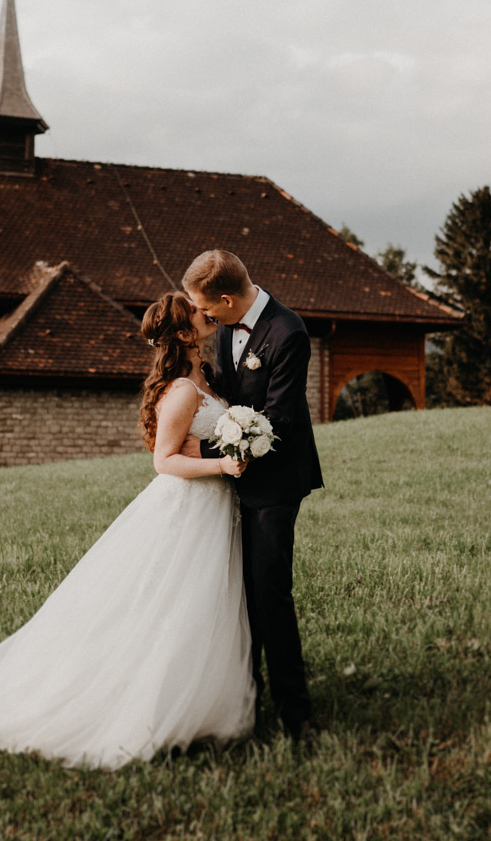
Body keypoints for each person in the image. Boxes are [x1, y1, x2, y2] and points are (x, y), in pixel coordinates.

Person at [0, 292, 255, 770]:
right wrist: (221, 465)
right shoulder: (183, 390)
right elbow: (163, 461)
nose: (204, 311)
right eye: (194, 310)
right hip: (188, 506)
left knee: (206, 600)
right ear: (185, 334)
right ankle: (147, 702)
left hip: (213, 508)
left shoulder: (204, 376)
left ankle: (205, 699)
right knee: (170, 602)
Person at [180, 249, 323, 743]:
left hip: (275, 482)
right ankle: (243, 700)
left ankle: (294, 714)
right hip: (228, 479)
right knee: (231, 596)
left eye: (207, 308)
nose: (204, 317)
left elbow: (278, 420)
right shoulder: (223, 326)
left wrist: (198, 448)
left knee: (268, 595)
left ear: (225, 298)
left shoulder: (289, 333)